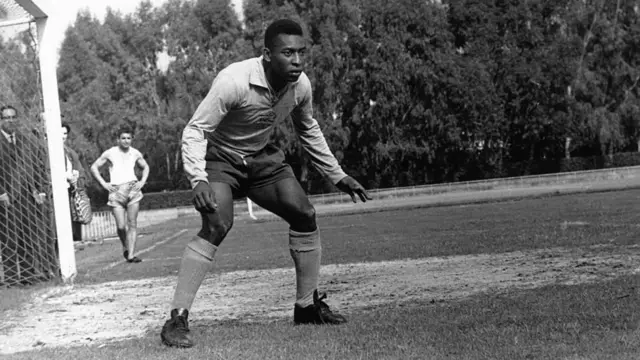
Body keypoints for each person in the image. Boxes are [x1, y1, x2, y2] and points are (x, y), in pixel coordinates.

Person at [160, 19, 371, 348]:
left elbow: (308, 129)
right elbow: (196, 130)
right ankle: (177, 318)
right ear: (267, 54)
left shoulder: (300, 87)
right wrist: (198, 178)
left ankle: (306, 308)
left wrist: (336, 174)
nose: (297, 61)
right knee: (218, 223)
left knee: (304, 214)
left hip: (261, 158)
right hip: (221, 160)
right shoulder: (234, 80)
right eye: (288, 53)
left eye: (302, 53)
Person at [0, 105, 53, 286]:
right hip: (7, 198)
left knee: (28, 237)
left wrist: (41, 190)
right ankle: (11, 278)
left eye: (13, 117)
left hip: (28, 196)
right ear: (1, 120)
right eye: (7, 117)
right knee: (9, 238)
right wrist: (1, 193)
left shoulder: (25, 140)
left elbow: (37, 166)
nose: (11, 120)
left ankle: (28, 275)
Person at [90, 126, 149, 263]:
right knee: (121, 226)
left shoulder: (135, 153)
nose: (126, 141)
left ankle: (131, 255)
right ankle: (125, 246)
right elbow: (94, 167)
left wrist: (142, 182)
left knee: (132, 223)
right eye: (123, 138)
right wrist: (104, 184)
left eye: (129, 138)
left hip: (133, 190)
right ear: (118, 140)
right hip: (116, 192)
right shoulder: (110, 153)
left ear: (132, 139)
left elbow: (145, 166)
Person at [62, 122, 88, 241]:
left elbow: (80, 171)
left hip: (70, 192)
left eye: (65, 133)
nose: (62, 136)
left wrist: (77, 179)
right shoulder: (46, 150)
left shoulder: (70, 152)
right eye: (60, 133)